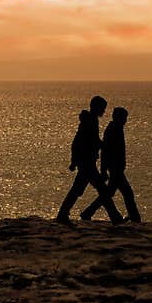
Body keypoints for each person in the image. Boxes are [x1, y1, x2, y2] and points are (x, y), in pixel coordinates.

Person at [56, 96, 123, 225]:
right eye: (102, 108)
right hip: (86, 163)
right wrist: (74, 160)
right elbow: (79, 141)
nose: (104, 111)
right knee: (101, 190)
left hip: (87, 162)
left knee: (79, 190)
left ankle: (63, 214)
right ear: (96, 107)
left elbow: (90, 140)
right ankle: (115, 218)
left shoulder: (91, 120)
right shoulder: (90, 121)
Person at [80, 107, 141, 223]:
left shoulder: (116, 128)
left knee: (109, 193)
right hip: (115, 167)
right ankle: (135, 217)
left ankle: (88, 212)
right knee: (126, 192)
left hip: (116, 167)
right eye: (124, 118)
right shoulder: (113, 130)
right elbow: (105, 151)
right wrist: (103, 169)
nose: (125, 120)